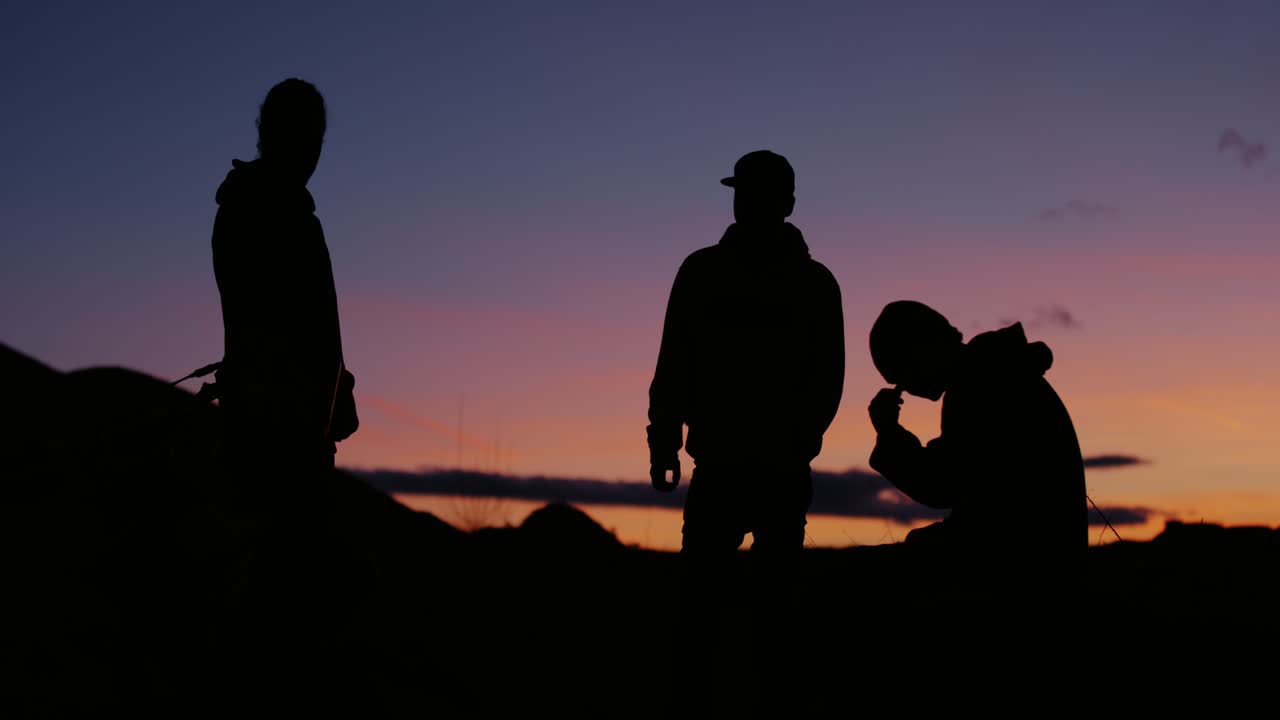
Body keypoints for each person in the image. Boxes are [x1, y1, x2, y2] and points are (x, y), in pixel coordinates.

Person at [645, 150, 844, 691]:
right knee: (704, 609)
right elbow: (674, 364)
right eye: (742, 193)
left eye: (756, 194)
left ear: (786, 203)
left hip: (771, 468)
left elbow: (827, 378)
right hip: (727, 465)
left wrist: (797, 441)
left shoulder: (809, 282)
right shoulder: (705, 272)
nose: (746, 204)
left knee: (761, 613)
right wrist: (663, 440)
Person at [208, 77, 362, 712]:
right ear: (273, 135)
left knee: (284, 596)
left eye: (317, 138)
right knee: (279, 602)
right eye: (304, 136)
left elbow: (309, 324)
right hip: (277, 436)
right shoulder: (267, 211)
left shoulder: (265, 208)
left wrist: (337, 387)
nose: (313, 150)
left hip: (291, 430)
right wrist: (321, 393)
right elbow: (281, 323)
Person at [866, 300, 1087, 638]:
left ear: (923, 347)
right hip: (1041, 554)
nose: (905, 388)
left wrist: (889, 434)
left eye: (902, 372)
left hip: (1025, 567)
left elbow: (942, 485)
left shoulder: (979, 382)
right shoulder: (992, 371)